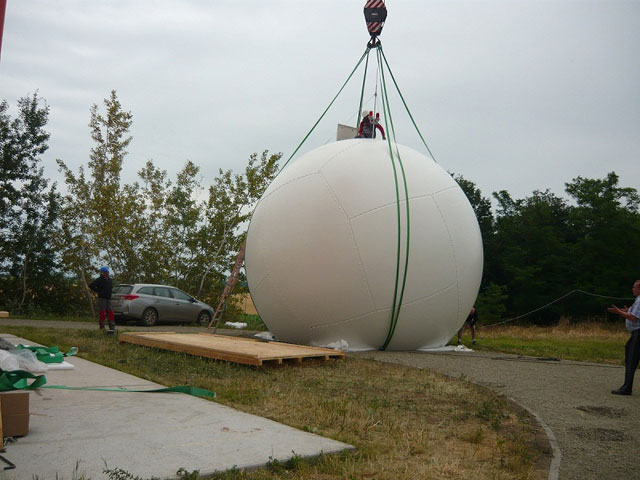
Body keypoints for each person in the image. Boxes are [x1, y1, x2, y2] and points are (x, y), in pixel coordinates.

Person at [607, 280, 640, 395]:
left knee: (631, 360)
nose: (632, 289)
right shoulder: (637, 300)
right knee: (630, 356)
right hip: (635, 334)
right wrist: (622, 311)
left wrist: (619, 312)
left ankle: (627, 388)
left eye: (634, 287)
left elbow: (633, 317)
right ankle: (626, 386)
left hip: (638, 334)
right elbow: (632, 313)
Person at [90, 266, 115, 334]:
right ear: (103, 273)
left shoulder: (110, 280)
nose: (107, 273)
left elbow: (111, 287)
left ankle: (112, 327)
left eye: (108, 272)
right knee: (102, 312)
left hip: (108, 298)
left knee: (110, 312)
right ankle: (102, 326)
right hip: (102, 298)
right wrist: (98, 291)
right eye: (106, 272)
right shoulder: (99, 280)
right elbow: (91, 285)